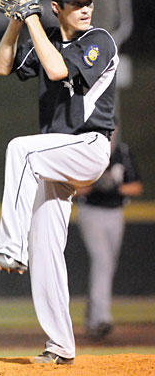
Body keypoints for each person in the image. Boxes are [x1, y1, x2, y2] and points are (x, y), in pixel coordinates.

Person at [0, 0, 119, 364]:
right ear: (57, 8)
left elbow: (58, 70)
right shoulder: (46, 39)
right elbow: (1, 66)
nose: (86, 8)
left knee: (21, 149)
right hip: (56, 159)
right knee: (46, 251)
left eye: (88, 2)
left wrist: (32, 20)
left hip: (88, 147)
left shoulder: (98, 40)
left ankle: (11, 247)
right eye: (77, 3)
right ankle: (60, 345)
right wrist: (16, 20)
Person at [76, 125, 143, 340]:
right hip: (91, 212)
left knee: (107, 263)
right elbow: (73, 189)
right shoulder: (86, 152)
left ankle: (92, 315)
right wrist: (95, 186)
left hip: (115, 213)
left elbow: (136, 187)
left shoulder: (121, 152)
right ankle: (100, 318)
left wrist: (114, 188)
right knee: (102, 260)